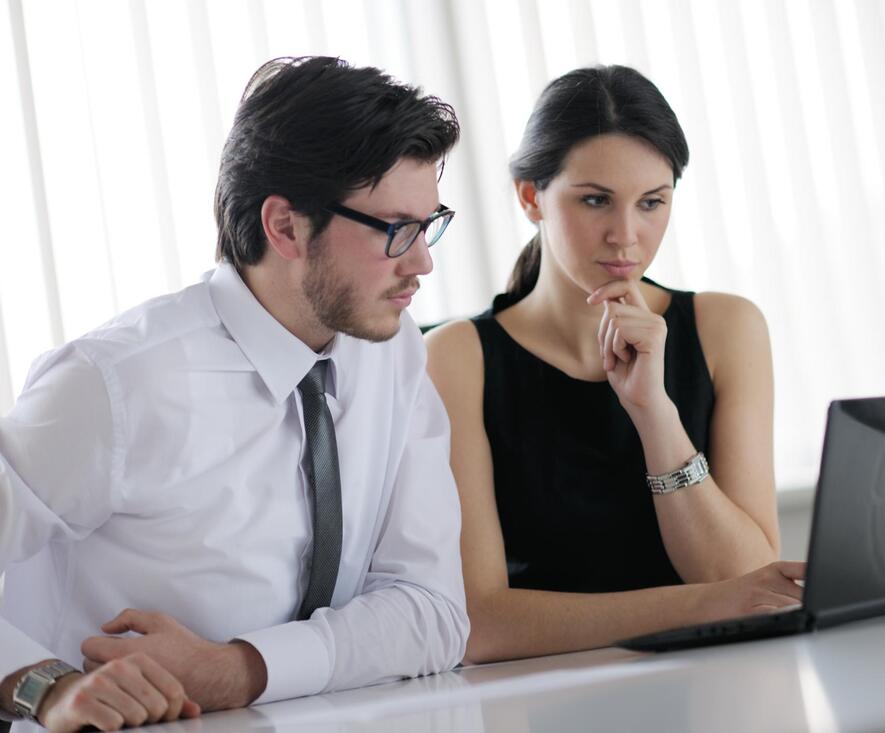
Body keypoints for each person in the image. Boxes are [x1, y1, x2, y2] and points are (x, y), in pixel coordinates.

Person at [0, 56, 468, 733]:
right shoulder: (119, 382)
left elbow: (431, 611)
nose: (422, 261)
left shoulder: (390, 353)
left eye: (431, 225)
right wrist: (43, 684)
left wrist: (241, 667)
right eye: (396, 229)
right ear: (284, 227)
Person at [426, 65, 805, 663]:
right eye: (596, 200)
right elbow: (481, 622)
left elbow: (751, 578)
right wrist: (700, 605)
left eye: (651, 202)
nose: (626, 236)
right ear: (532, 197)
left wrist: (655, 414)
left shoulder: (726, 328)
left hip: (725, 686)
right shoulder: (456, 358)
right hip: (547, 698)